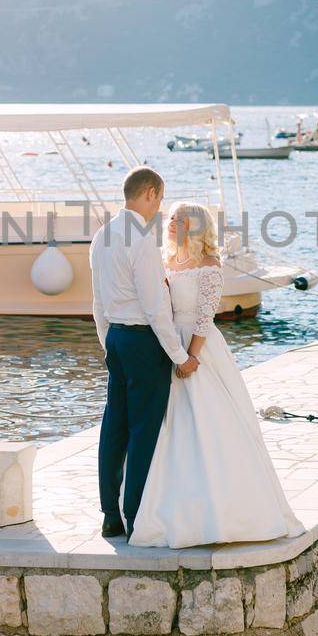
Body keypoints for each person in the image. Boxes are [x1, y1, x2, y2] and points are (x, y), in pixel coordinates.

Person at [128, 203, 305, 549]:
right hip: (167, 347)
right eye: (172, 218)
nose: (172, 223)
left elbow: (204, 318)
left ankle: (227, 512)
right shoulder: (166, 262)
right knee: (169, 429)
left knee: (208, 424)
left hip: (198, 350)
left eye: (180, 220)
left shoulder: (209, 267)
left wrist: (191, 357)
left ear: (195, 227)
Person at [91, 167, 195, 539]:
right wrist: (180, 357)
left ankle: (109, 516)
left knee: (113, 428)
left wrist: (108, 345)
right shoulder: (142, 241)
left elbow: (98, 301)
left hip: (117, 339)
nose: (160, 207)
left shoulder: (101, 235)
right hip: (143, 341)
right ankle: (136, 516)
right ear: (150, 193)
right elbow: (156, 309)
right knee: (143, 430)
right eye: (161, 198)